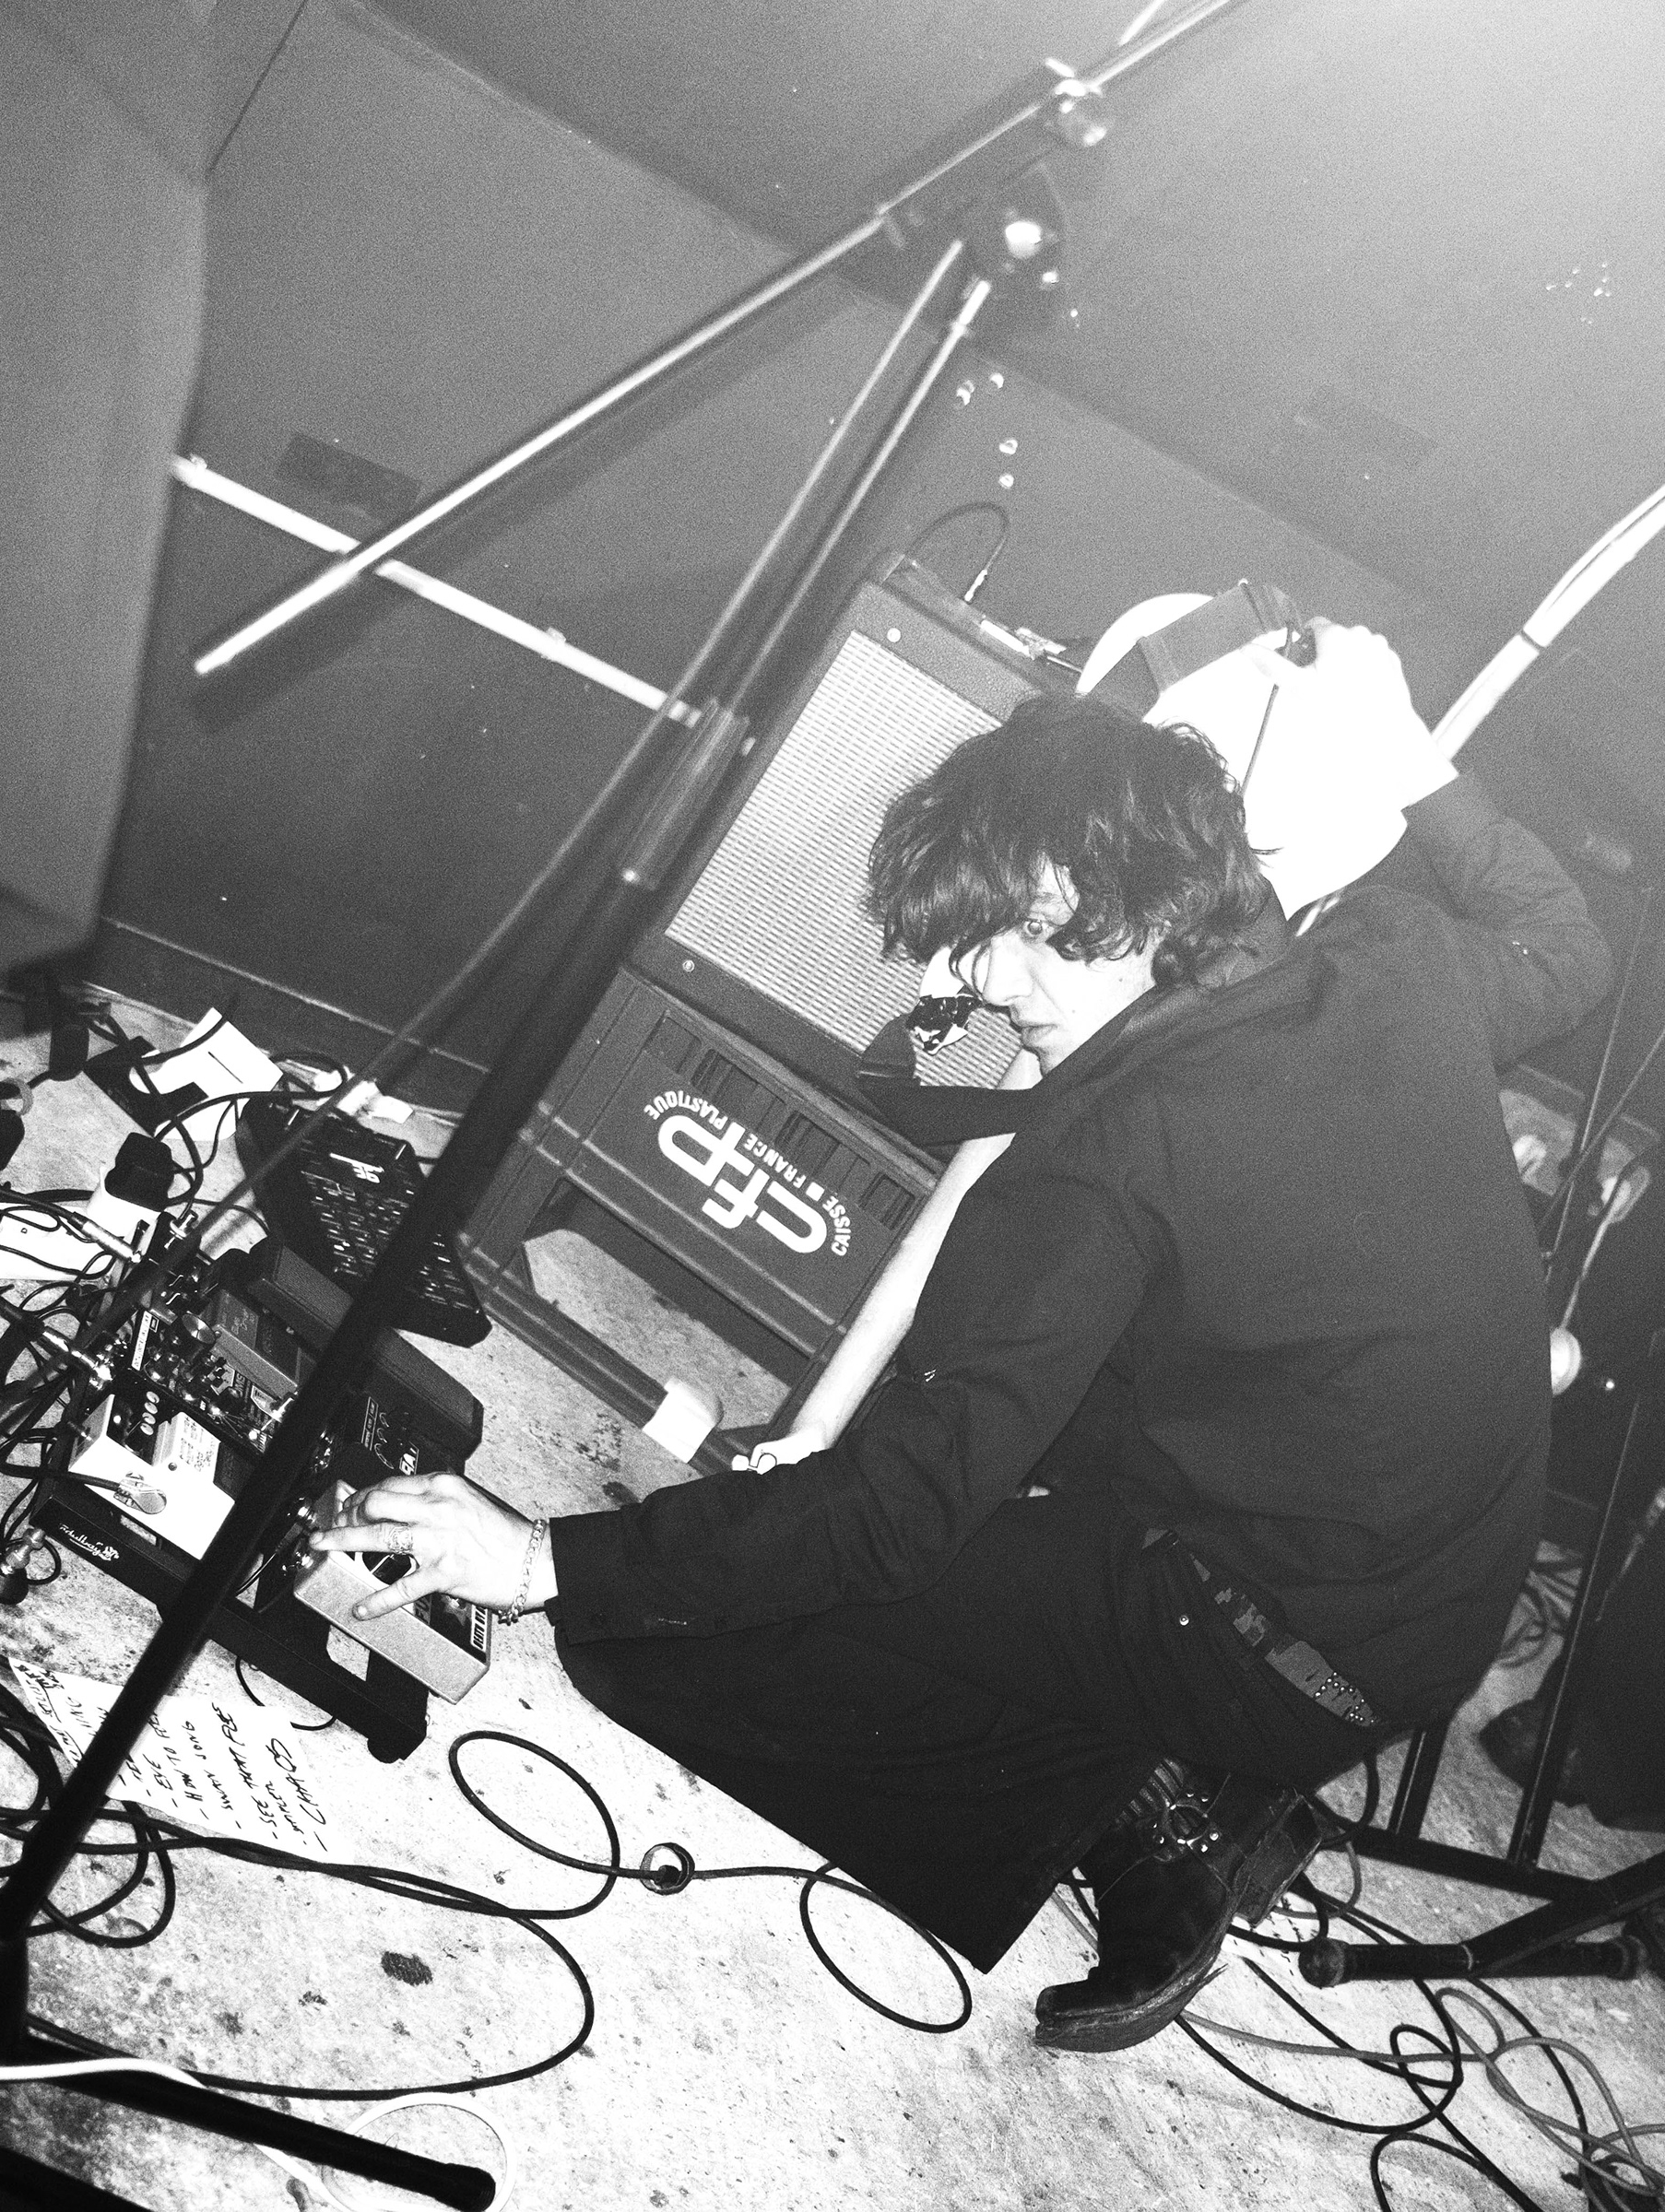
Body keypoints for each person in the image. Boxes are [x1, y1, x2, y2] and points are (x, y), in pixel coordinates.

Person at [313, 617, 1612, 2048]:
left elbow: (900, 1513)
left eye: (979, 944)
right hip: (1433, 1588)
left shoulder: (1109, 1151)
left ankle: (1158, 1809)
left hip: (1283, 1646)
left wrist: (536, 1559)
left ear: (1068, 896)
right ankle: (1115, 1721)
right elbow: (1571, 950)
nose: (958, 991)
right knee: (928, 1482)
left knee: (667, 1644)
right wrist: (1409, 749)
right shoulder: (1389, 954)